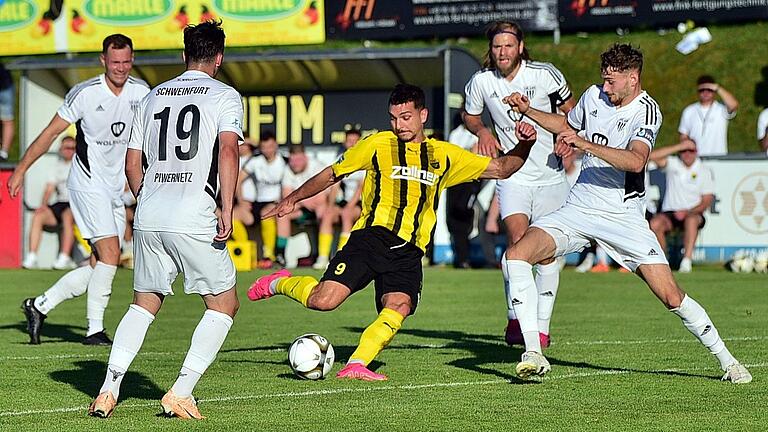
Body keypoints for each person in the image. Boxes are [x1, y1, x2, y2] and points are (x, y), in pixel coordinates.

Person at [248, 83, 538, 381]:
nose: (399, 125)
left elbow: (502, 168)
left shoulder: (444, 155)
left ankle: (357, 363)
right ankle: (279, 283)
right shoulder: (377, 144)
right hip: (370, 240)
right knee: (323, 301)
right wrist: (292, 199)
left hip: (409, 251)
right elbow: (333, 174)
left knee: (399, 305)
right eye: (394, 118)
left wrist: (525, 145)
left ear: (423, 115)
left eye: (406, 117)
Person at [503, 43, 751, 384]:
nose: (605, 87)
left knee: (671, 296)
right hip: (580, 207)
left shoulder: (647, 111)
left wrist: (585, 144)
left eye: (612, 81)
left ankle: (727, 360)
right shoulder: (593, 96)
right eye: (604, 80)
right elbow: (565, 124)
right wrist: (529, 110)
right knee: (516, 256)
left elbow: (636, 160)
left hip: (623, 217)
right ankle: (533, 351)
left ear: (632, 78)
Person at [89, 20, 243, 419]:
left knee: (143, 303)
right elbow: (228, 152)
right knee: (224, 303)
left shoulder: (153, 95)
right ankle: (181, 391)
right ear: (220, 58)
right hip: (194, 212)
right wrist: (227, 207)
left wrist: (148, 199)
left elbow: (131, 162)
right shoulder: (225, 95)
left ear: (184, 55)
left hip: (150, 209)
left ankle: (108, 389)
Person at [9, 34, 150, 345]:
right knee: (111, 254)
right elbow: (49, 134)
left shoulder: (142, 92)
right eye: (115, 62)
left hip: (116, 188)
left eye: (127, 62)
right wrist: (20, 170)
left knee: (101, 263)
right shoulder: (85, 94)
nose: (121, 68)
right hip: (87, 183)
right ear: (103, 61)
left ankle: (39, 305)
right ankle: (94, 329)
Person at [462, 21, 575, 347]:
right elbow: (470, 115)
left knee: (547, 254)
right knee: (516, 244)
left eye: (508, 46)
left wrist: (568, 140)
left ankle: (541, 325)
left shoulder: (544, 75)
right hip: (514, 176)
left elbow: (575, 112)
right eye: (497, 47)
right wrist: (482, 131)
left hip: (551, 175)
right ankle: (516, 319)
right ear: (491, 50)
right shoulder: (482, 82)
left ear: (520, 47)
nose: (502, 52)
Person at [649, 139, 714, 273]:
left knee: (691, 220)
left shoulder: (704, 170)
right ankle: (663, 261)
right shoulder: (674, 164)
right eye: (683, 151)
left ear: (696, 152)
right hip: (670, 213)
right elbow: (650, 156)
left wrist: (688, 211)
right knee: (655, 223)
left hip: (693, 212)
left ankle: (686, 261)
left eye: (690, 150)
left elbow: (706, 200)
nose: (687, 154)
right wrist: (678, 146)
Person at [22, 136, 77, 270]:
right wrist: (43, 205)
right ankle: (32, 256)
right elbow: (49, 189)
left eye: (72, 148)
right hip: (60, 203)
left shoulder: (79, 165)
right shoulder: (56, 166)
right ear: (60, 149)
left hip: (76, 203)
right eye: (66, 148)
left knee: (67, 216)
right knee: (38, 216)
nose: (69, 151)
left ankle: (64, 256)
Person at [313, 127, 365, 270]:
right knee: (328, 214)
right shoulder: (341, 158)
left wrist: (350, 206)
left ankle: (341, 257)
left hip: (360, 203)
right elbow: (335, 185)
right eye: (349, 141)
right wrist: (330, 205)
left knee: (347, 214)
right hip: (344, 202)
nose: (352, 144)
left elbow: (362, 186)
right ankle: (322, 257)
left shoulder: (364, 159)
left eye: (355, 141)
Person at [238, 131, 286, 266]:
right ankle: (246, 254)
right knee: (234, 216)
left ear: (276, 145)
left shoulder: (283, 161)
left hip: (277, 202)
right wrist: (241, 201)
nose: (267, 150)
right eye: (264, 147)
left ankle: (268, 255)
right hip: (258, 202)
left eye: (270, 146)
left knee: (267, 213)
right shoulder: (255, 161)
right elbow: (237, 180)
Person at [274, 144, 325, 267]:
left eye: (298, 160)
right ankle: (280, 255)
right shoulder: (288, 170)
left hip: (319, 208)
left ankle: (322, 255)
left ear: (305, 158)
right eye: (292, 160)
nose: (295, 164)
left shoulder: (317, 167)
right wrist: (304, 201)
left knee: (322, 211)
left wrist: (299, 199)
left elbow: (321, 199)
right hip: (301, 208)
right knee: (282, 214)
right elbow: (287, 198)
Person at [446, 119, 480, 268]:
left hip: (470, 181)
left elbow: (475, 155)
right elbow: (452, 157)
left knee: (465, 216)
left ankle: (465, 258)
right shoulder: (456, 133)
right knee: (454, 219)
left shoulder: (479, 133)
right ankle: (461, 259)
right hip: (455, 180)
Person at [678, 75, 738, 157]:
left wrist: (717, 88)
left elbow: (734, 105)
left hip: (719, 157)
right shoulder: (689, 110)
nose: (705, 93)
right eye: (702, 90)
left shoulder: (721, 108)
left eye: (709, 90)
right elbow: (683, 135)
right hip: (696, 159)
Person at [0, 62, 14, 162]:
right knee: (7, 120)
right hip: (5, 81)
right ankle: (4, 153)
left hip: (5, 83)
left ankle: (3, 152)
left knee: (7, 120)